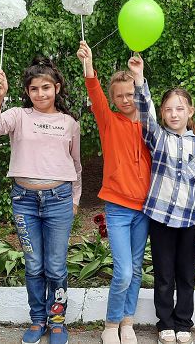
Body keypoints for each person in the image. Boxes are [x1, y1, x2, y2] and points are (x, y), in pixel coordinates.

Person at [0, 57, 81, 344]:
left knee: (56, 266)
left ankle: (57, 321)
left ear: (56, 88)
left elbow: (76, 165)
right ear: (27, 91)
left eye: (46, 87)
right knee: (34, 264)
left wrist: (75, 199)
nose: (40, 94)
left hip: (59, 200)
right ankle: (38, 319)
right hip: (24, 201)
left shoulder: (69, 123)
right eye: (34, 88)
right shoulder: (18, 115)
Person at [129, 54, 195, 344]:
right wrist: (139, 78)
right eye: (168, 109)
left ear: (190, 111)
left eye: (180, 109)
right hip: (162, 219)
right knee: (164, 275)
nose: (174, 114)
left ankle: (183, 323)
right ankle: (165, 323)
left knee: (186, 276)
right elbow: (145, 113)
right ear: (163, 113)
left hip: (190, 222)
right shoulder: (158, 139)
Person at [77, 41, 151, 344]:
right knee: (123, 271)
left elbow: (146, 100)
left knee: (136, 268)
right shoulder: (109, 121)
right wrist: (88, 66)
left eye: (130, 93)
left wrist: (140, 77)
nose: (125, 99)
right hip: (118, 208)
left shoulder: (148, 123)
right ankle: (110, 324)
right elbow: (95, 94)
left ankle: (127, 321)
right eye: (119, 96)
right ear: (112, 99)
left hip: (144, 208)